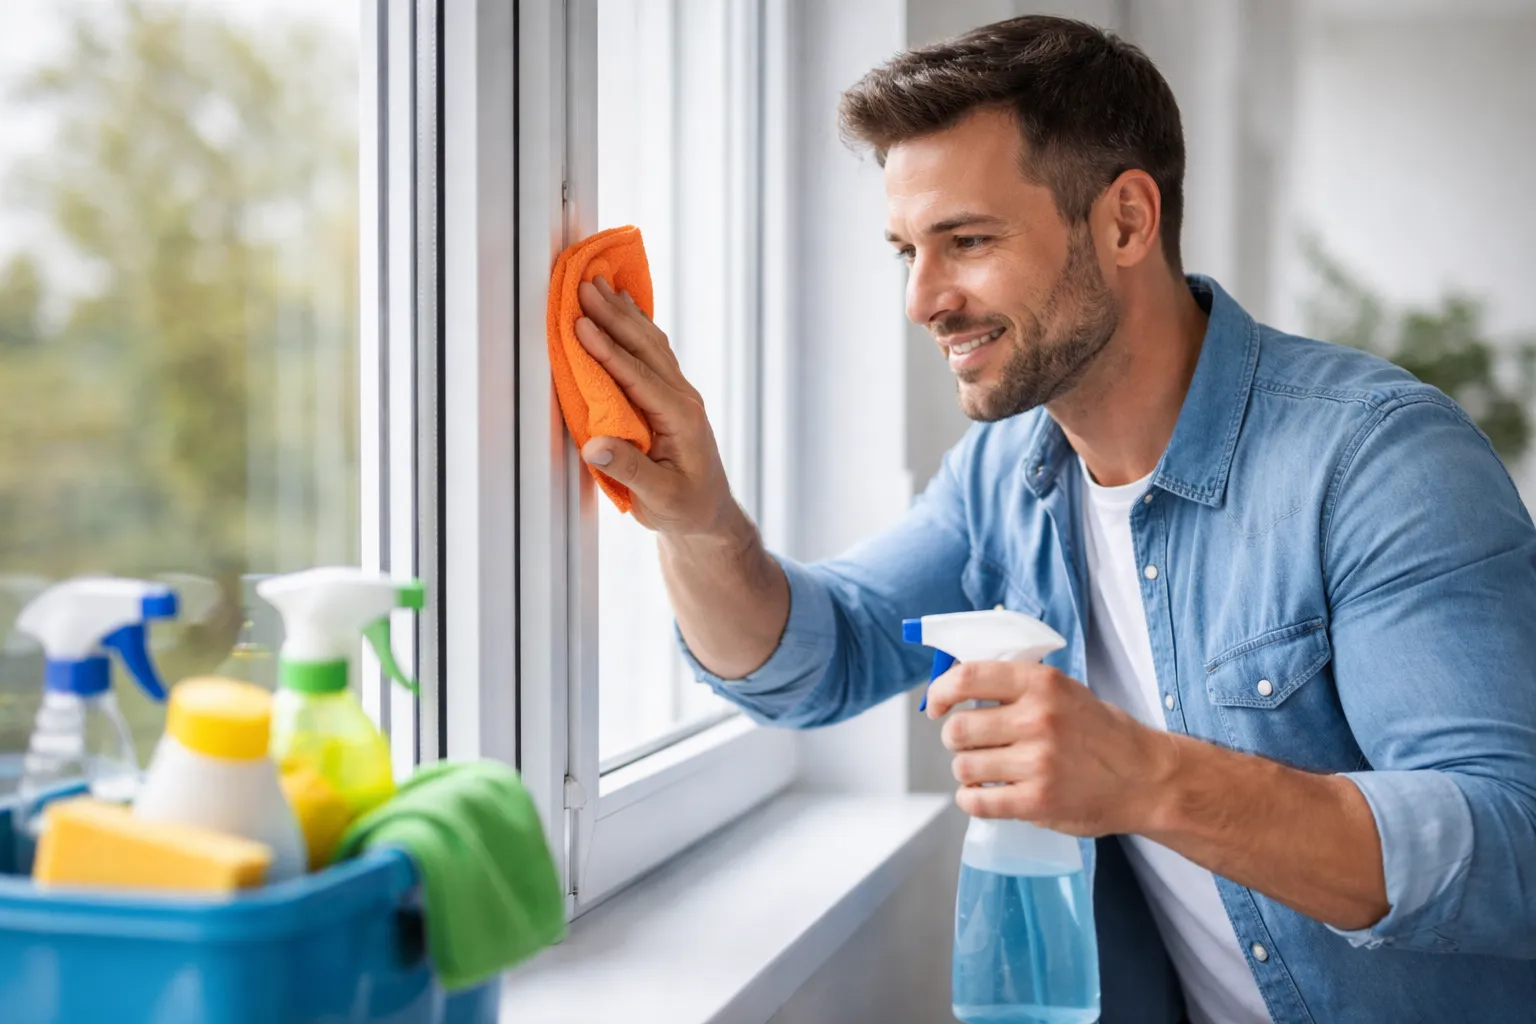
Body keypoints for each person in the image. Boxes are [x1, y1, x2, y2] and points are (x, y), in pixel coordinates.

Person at [570, 15, 1536, 1024]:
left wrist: (1153, 778)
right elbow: (817, 658)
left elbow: (1515, 844)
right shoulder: (1005, 476)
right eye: (907, 249)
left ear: (1125, 222)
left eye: (969, 241)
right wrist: (695, 515)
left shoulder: (1377, 460)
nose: (922, 299)